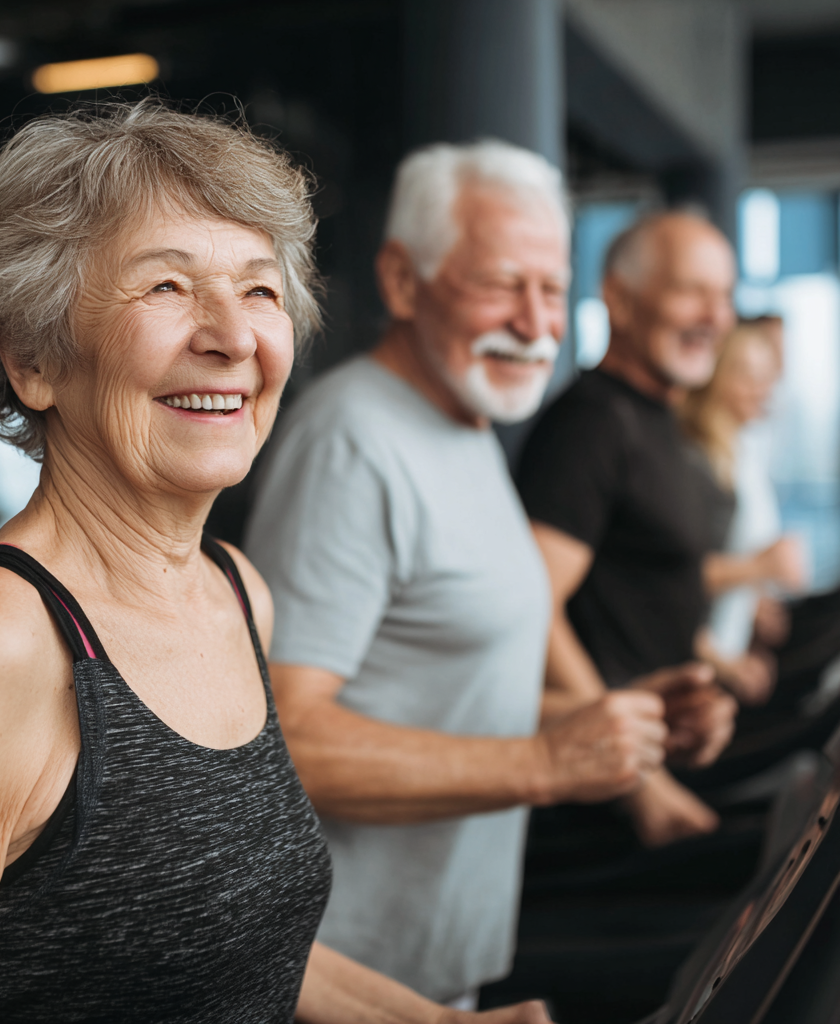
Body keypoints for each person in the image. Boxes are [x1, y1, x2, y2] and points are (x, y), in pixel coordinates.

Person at [0, 102, 551, 1024]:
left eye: (259, 290)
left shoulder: (236, 593)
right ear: (35, 356)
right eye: (166, 287)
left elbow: (225, 937)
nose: (233, 337)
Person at [245, 143, 735, 1006]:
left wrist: (621, 717)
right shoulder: (352, 441)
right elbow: (286, 740)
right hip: (345, 977)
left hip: (439, 959)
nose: (537, 320)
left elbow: (440, 693)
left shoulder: (467, 426)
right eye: (502, 284)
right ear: (402, 281)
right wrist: (549, 762)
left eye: (552, 289)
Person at [518, 211, 742, 847]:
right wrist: (638, 779)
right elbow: (533, 605)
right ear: (617, 296)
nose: (715, 314)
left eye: (724, 295)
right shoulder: (592, 422)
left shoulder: (653, 415)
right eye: (690, 290)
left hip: (654, 755)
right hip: (599, 799)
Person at [679, 322, 806, 704]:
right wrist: (760, 570)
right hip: (697, 668)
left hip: (725, 650)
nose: (763, 389)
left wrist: (754, 603)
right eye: (749, 376)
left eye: (767, 377)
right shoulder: (695, 461)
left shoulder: (738, 451)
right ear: (716, 376)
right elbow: (667, 582)